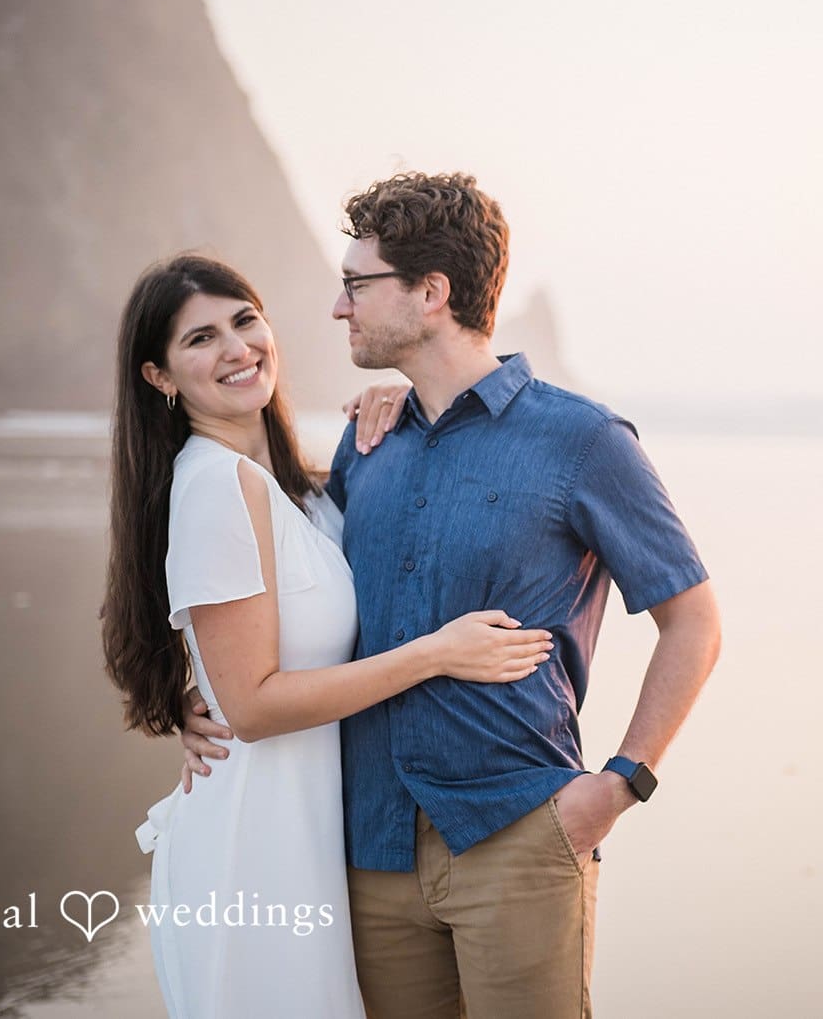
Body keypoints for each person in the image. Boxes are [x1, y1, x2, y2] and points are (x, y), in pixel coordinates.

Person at [181, 172, 723, 1018]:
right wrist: (196, 694)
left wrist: (620, 783)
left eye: (358, 284)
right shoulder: (369, 444)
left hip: (519, 836)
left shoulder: (583, 439)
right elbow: (280, 590)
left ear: (431, 293)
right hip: (368, 853)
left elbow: (692, 620)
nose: (336, 307)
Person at [101, 254, 554, 1019]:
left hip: (309, 833)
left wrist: (401, 399)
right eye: (201, 339)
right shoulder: (217, 485)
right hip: (254, 841)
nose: (238, 349)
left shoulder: (287, 486)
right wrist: (436, 653)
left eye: (245, 321)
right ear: (160, 377)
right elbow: (252, 706)